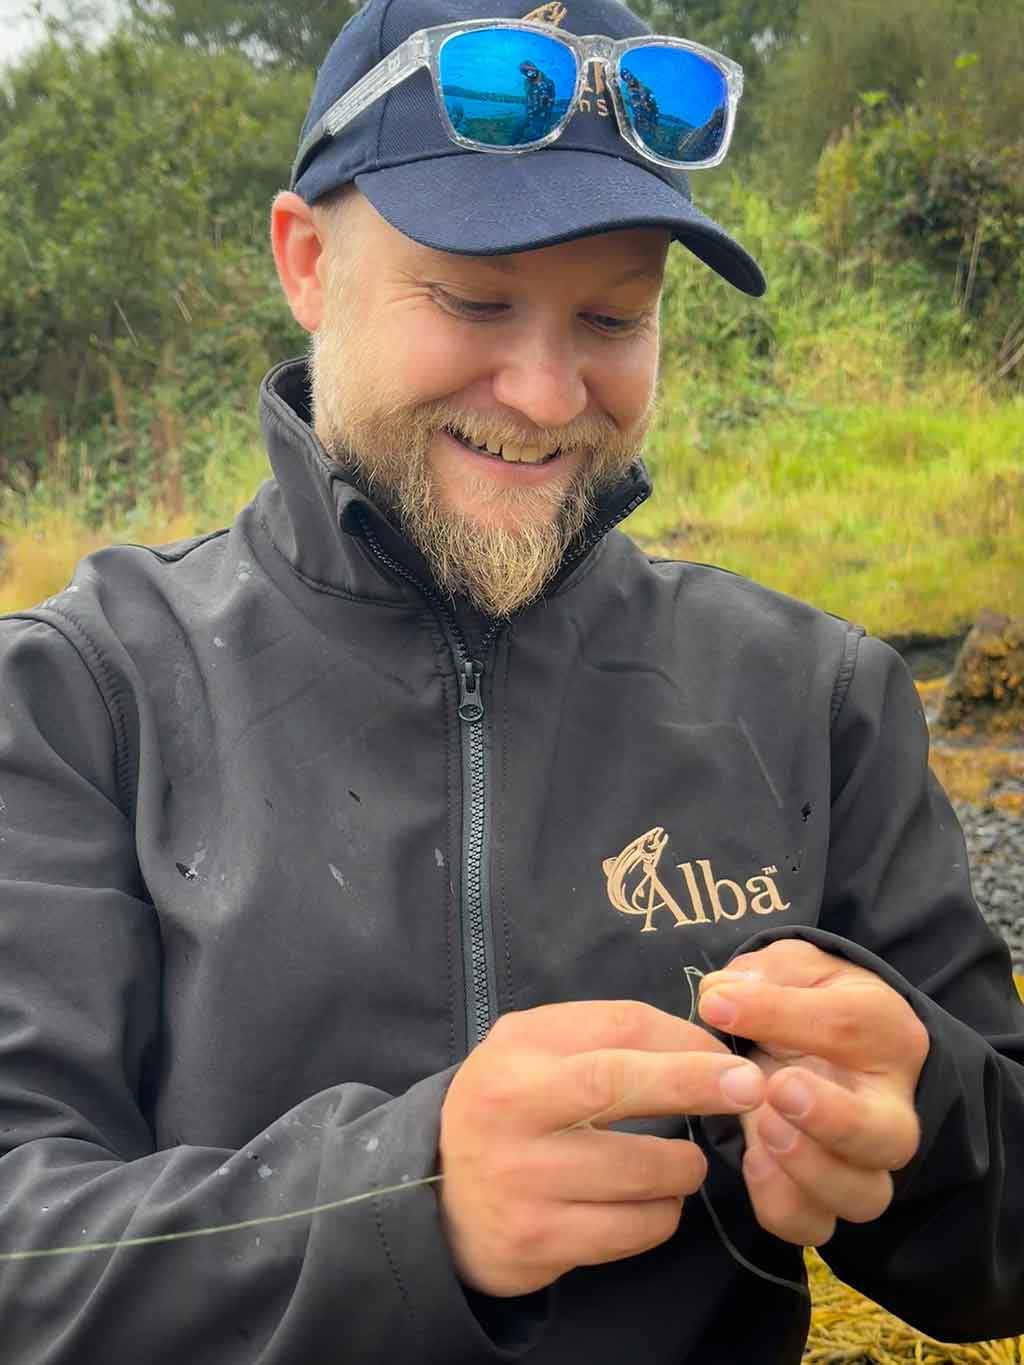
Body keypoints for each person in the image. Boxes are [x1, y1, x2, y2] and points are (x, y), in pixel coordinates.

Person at [0, 0, 1022, 1361]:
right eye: (472, 298)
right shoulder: (83, 695)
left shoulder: (817, 699)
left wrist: (925, 1124)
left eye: (613, 315)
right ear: (306, 262)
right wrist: (403, 1205)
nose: (545, 393)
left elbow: (1000, 1244)